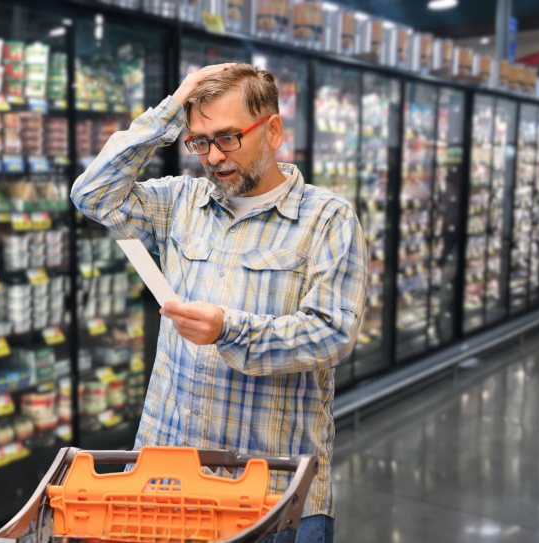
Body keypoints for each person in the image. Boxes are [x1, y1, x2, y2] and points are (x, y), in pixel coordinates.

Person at [70, 63, 367, 543]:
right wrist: (172, 107)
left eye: (228, 138)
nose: (213, 156)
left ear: (273, 131)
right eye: (200, 141)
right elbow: (92, 194)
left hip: (271, 496)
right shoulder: (181, 202)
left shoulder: (327, 219)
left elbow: (332, 334)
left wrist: (229, 330)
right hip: (167, 485)